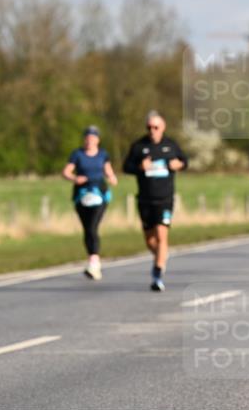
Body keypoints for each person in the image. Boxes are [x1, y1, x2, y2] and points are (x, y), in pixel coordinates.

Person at [122, 111, 188, 291]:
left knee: (161, 234)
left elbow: (184, 161)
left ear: (163, 127)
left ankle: (157, 273)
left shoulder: (171, 145)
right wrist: (139, 167)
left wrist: (179, 165)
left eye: (156, 127)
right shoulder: (139, 146)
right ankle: (161, 256)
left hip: (164, 198)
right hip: (145, 199)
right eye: (149, 127)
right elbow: (126, 167)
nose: (152, 131)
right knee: (150, 241)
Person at [63, 126, 117, 280]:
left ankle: (94, 261)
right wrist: (75, 178)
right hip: (82, 195)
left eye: (93, 138)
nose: (89, 141)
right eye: (87, 138)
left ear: (97, 140)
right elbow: (66, 172)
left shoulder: (103, 154)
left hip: (99, 194)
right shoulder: (77, 154)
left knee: (93, 226)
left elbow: (108, 171)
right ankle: (93, 260)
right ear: (84, 139)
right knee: (87, 229)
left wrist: (112, 178)